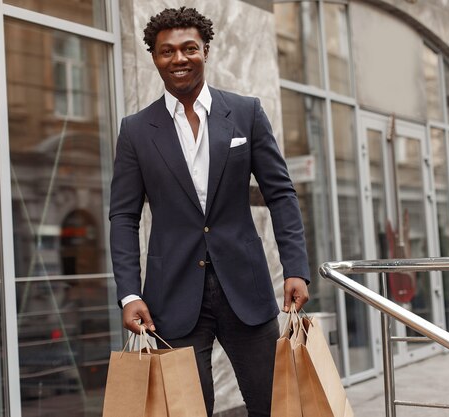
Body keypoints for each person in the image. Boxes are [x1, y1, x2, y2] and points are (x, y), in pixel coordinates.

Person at [109, 6, 310, 417]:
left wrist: (296, 267)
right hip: (172, 295)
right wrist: (130, 293)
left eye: (189, 49)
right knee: (186, 409)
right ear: (154, 57)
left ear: (206, 51)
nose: (178, 59)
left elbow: (281, 193)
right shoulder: (135, 130)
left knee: (275, 404)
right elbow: (124, 217)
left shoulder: (246, 112)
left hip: (246, 287)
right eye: (167, 51)